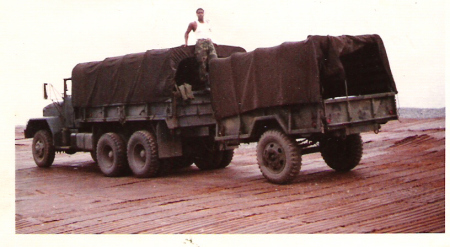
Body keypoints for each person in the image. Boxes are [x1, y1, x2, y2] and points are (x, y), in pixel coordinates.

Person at [184, 8, 218, 84]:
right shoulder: (193, 23)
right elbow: (186, 33)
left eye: (201, 12)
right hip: (200, 43)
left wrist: (212, 41)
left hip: (209, 42)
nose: (200, 14)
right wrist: (186, 43)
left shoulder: (207, 23)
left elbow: (208, 33)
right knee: (202, 63)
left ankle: (215, 80)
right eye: (198, 12)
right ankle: (204, 83)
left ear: (203, 13)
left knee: (214, 60)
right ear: (196, 14)